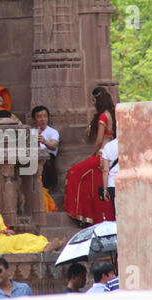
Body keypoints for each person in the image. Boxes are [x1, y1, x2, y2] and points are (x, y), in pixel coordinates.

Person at [62, 87, 116, 226]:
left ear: (98, 100)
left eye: (93, 100)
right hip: (108, 157)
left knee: (73, 172)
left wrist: (91, 155)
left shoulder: (103, 117)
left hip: (101, 156)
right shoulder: (110, 114)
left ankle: (76, 212)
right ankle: (86, 216)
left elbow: (98, 141)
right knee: (88, 182)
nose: (92, 103)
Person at [0, 191, 65, 254]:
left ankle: (47, 245)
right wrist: (3, 232)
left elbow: (8, 229)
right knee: (19, 241)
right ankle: (46, 247)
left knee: (25, 236)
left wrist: (9, 232)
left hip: (5, 239)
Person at [31, 105, 60, 212]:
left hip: (47, 161)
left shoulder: (52, 132)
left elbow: (53, 145)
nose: (43, 119)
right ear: (34, 120)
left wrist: (44, 141)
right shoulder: (31, 132)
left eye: (45, 116)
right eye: (39, 117)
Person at [101, 138, 119, 219]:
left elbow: (105, 170)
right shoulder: (129, 142)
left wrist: (105, 189)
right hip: (128, 181)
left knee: (116, 211)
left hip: (112, 182)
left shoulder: (109, 146)